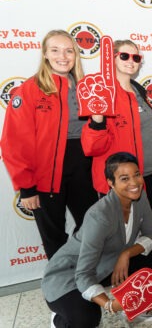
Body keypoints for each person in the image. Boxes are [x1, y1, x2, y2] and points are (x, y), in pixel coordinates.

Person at [81, 39, 152, 277]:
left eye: (136, 57)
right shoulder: (104, 92)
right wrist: (97, 121)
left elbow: (146, 132)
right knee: (122, 237)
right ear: (112, 58)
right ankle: (121, 286)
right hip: (122, 181)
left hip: (150, 174)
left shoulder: (138, 91)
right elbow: (91, 147)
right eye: (125, 56)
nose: (132, 61)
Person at [0, 30, 98, 259]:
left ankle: (84, 274)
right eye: (55, 50)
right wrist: (27, 187)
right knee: (53, 236)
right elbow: (15, 142)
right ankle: (60, 285)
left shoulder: (87, 88)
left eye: (68, 50)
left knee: (91, 227)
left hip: (83, 169)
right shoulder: (30, 89)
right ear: (45, 54)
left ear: (76, 54)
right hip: (46, 175)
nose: (62, 56)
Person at [42, 152, 152, 327]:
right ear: (110, 183)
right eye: (124, 178)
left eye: (136, 175)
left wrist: (126, 254)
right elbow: (83, 274)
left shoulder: (140, 196)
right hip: (68, 276)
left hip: (105, 266)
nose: (134, 183)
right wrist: (109, 304)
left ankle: (134, 310)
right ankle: (59, 318)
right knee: (87, 318)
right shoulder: (99, 216)